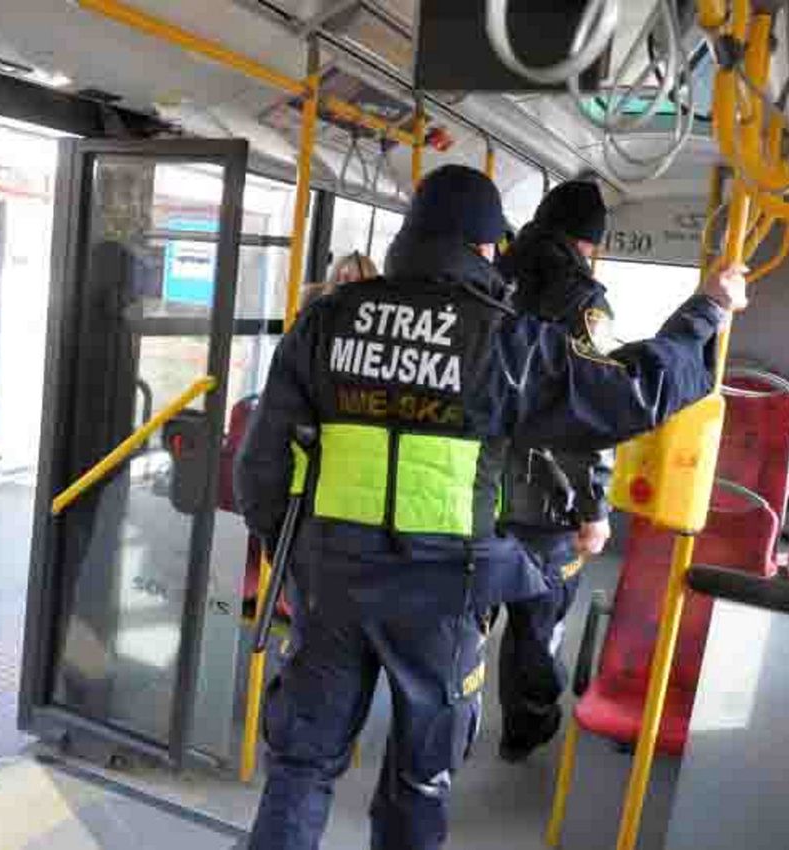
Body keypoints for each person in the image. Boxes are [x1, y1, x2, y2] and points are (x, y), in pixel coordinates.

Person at [235, 164, 746, 850]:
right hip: (442, 592)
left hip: (332, 579)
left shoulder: (326, 320)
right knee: (418, 781)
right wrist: (706, 312)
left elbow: (261, 469)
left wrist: (295, 560)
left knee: (301, 768)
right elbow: (630, 396)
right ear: (483, 248)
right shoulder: (498, 338)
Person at [495, 179, 616, 762]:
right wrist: (594, 508)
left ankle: (442, 734)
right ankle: (526, 727)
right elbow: (594, 411)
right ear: (587, 242)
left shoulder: (489, 281)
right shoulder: (586, 304)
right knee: (535, 626)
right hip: (547, 502)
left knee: (463, 613)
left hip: (466, 487)